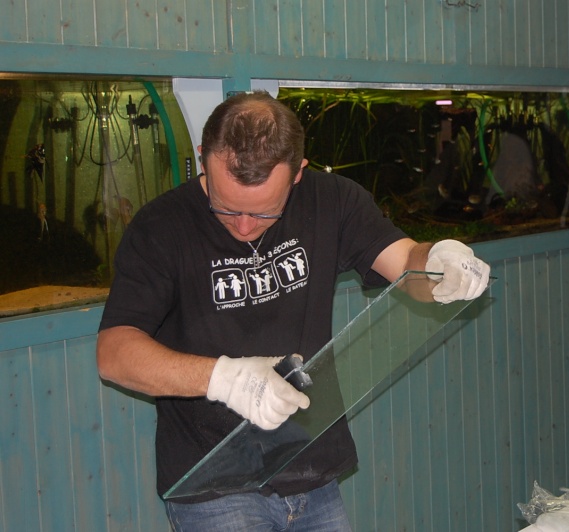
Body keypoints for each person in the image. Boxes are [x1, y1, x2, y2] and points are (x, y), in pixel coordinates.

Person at [96, 91, 490, 531]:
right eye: (226, 207)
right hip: (214, 483)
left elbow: (404, 263)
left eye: (264, 212)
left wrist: (439, 262)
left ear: (298, 173)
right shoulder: (160, 228)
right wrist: (226, 379)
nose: (244, 227)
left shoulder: (333, 200)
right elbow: (114, 354)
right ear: (202, 158)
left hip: (309, 466)